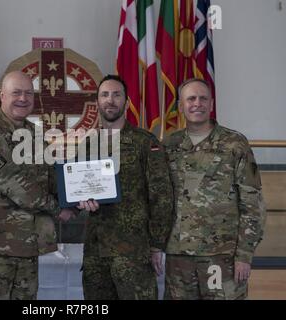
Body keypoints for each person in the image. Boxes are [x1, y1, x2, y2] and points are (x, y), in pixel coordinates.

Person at [0, 71, 96, 300]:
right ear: (2, 95)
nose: (23, 98)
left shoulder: (34, 134)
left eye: (28, 93)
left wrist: (80, 198)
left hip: (28, 246)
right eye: (16, 92)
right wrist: (59, 210)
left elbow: (51, 178)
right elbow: (13, 183)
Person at [163, 78, 266, 300]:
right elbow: (159, 199)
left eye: (203, 98)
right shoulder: (169, 145)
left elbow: (252, 202)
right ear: (181, 106)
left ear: (211, 104)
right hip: (178, 256)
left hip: (221, 256)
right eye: (191, 99)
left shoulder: (234, 143)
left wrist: (244, 255)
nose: (197, 104)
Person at [81, 75, 174, 300]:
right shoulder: (89, 143)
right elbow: (79, 187)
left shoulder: (145, 142)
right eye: (104, 95)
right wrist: (79, 201)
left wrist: (156, 245)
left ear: (126, 101)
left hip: (133, 252)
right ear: (97, 102)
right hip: (96, 253)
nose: (110, 100)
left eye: (116, 94)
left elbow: (162, 196)